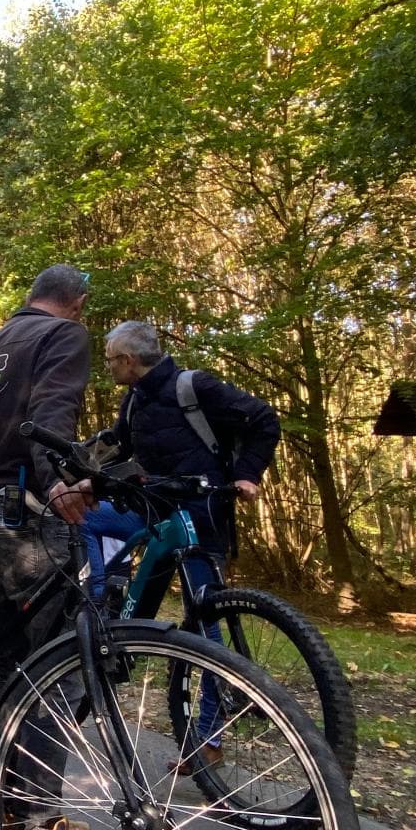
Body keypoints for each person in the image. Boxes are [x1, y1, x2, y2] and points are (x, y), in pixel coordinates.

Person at [0, 264, 127, 830]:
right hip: (32, 511)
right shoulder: (64, 337)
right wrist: (52, 480)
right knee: (60, 670)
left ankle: (14, 806)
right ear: (76, 302)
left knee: (20, 666)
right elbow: (52, 415)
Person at [93, 318, 281, 768]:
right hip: (153, 512)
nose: (107, 369)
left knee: (208, 628)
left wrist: (247, 474)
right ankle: (100, 604)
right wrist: (76, 470)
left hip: (201, 520)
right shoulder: (134, 400)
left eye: (109, 361)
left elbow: (263, 419)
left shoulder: (193, 387)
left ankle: (208, 740)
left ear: (128, 360)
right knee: (81, 520)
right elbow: (116, 448)